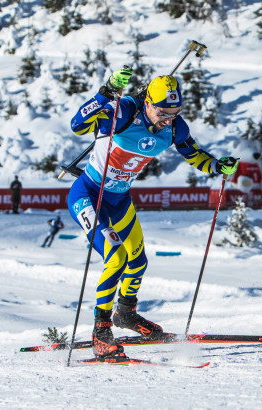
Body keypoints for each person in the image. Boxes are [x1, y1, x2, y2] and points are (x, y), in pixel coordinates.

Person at [67, 67, 239, 358]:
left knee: (138, 260)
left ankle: (126, 314)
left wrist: (217, 166)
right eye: (162, 113)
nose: (167, 120)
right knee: (117, 256)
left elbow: (194, 153)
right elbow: (78, 124)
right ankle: (100, 329)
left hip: (119, 200)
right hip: (88, 196)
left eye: (174, 112)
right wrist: (106, 92)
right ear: (147, 103)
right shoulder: (123, 113)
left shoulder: (174, 128)